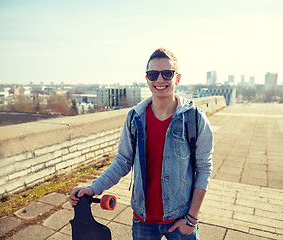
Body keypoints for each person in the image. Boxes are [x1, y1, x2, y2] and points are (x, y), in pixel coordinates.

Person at [68, 48, 213, 240]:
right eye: (153, 74)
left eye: (167, 74)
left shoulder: (195, 119)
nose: (160, 80)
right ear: (147, 79)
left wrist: (191, 220)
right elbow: (122, 161)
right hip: (142, 220)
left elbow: (204, 169)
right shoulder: (135, 118)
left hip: (180, 219)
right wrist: (94, 188)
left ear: (177, 79)